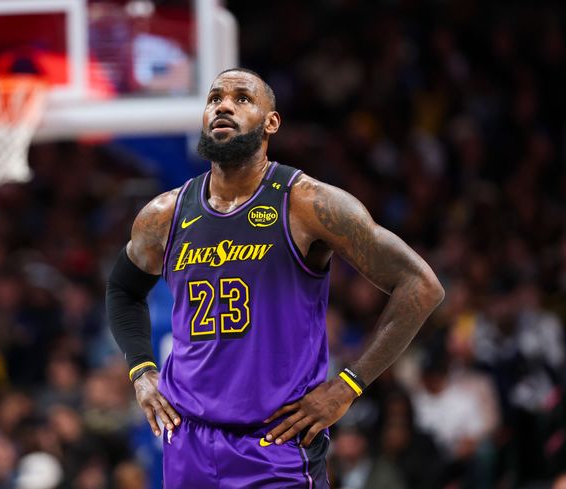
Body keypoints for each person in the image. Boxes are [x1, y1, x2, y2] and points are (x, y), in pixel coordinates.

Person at [106, 68, 445, 488]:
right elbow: (123, 289)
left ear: (272, 122)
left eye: (242, 98)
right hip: (188, 439)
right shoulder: (164, 214)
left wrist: (347, 386)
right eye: (215, 98)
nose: (224, 105)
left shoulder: (306, 204)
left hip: (275, 443)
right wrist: (141, 371)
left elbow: (421, 285)